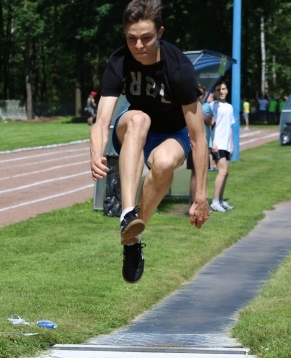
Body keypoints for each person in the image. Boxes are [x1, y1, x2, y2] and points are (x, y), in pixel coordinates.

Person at [90, 0, 210, 284]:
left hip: (172, 134)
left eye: (146, 38)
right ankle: (128, 213)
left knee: (165, 163)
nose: (139, 46)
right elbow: (101, 120)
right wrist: (96, 153)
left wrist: (202, 196)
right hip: (133, 132)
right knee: (138, 119)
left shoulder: (179, 67)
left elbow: (198, 137)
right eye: (132, 38)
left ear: (160, 33)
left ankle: (133, 240)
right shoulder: (119, 61)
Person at [209, 81, 235, 212]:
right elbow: (210, 125)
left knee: (226, 173)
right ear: (215, 92)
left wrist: (232, 144)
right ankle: (214, 202)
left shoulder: (229, 107)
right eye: (219, 89)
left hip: (226, 144)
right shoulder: (213, 106)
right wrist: (212, 143)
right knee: (222, 171)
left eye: (223, 89)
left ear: (227, 90)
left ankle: (220, 200)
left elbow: (230, 127)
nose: (221, 92)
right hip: (217, 144)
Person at [189, 84, 213, 202]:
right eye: (197, 93)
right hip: (192, 143)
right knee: (195, 173)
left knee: (204, 172)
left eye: (201, 93)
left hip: (205, 142)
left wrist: (200, 113)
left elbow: (210, 121)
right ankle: (194, 201)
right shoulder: (188, 106)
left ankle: (203, 200)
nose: (199, 96)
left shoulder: (206, 106)